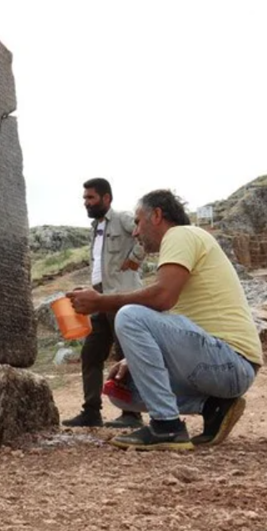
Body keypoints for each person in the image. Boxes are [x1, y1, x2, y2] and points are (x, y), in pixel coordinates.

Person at [68, 190, 262, 451]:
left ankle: (166, 426)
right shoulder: (181, 248)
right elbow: (174, 321)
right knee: (123, 392)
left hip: (231, 363)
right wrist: (134, 358)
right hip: (218, 366)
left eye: (138, 222)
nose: (135, 232)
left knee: (129, 314)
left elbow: (162, 297)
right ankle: (213, 406)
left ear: (157, 215)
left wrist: (100, 302)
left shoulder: (180, 235)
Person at [63, 178, 146, 429]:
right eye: (84, 198)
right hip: (99, 299)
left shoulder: (122, 218)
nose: (86, 202)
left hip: (121, 298)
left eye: (91, 198)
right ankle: (91, 412)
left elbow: (144, 234)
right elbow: (100, 266)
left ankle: (132, 414)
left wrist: (135, 258)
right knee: (91, 354)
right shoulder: (94, 227)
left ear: (106, 198)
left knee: (125, 354)